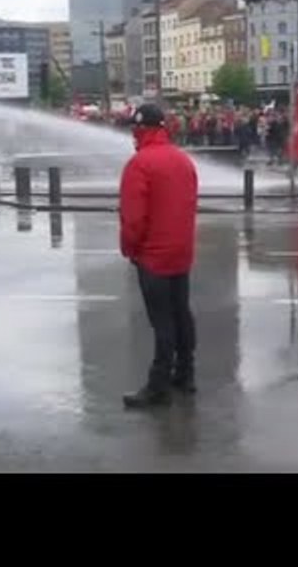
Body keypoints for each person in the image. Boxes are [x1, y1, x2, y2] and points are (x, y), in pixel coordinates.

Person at [119, 103, 199, 409]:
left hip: (153, 257)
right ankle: (186, 375)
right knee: (182, 314)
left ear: (142, 129)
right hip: (181, 253)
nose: (132, 135)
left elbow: (133, 219)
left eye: (134, 129)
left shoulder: (139, 165)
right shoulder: (183, 161)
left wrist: (130, 248)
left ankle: (158, 386)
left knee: (162, 321)